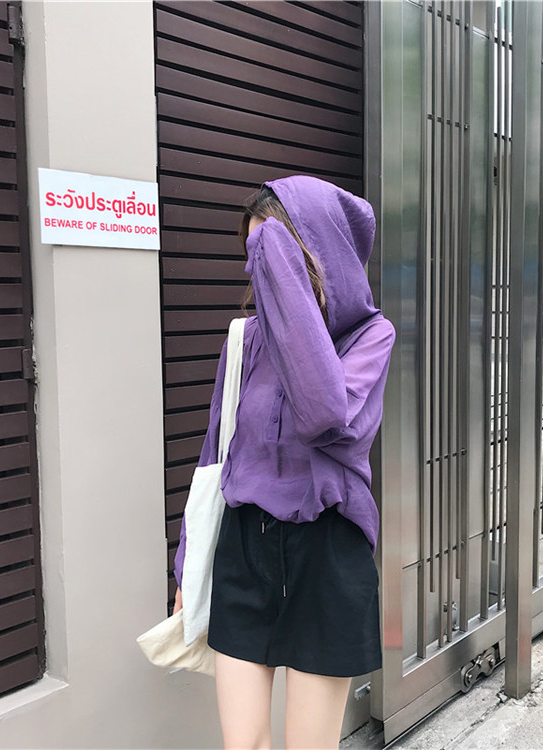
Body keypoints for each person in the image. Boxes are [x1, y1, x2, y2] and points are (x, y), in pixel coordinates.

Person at [172, 174, 396, 749]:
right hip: (245, 547)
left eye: (270, 254)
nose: (259, 272)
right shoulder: (244, 340)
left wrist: (280, 262)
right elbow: (214, 456)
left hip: (327, 551)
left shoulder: (371, 336)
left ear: (318, 254)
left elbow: (324, 416)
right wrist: (187, 565)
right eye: (253, 257)